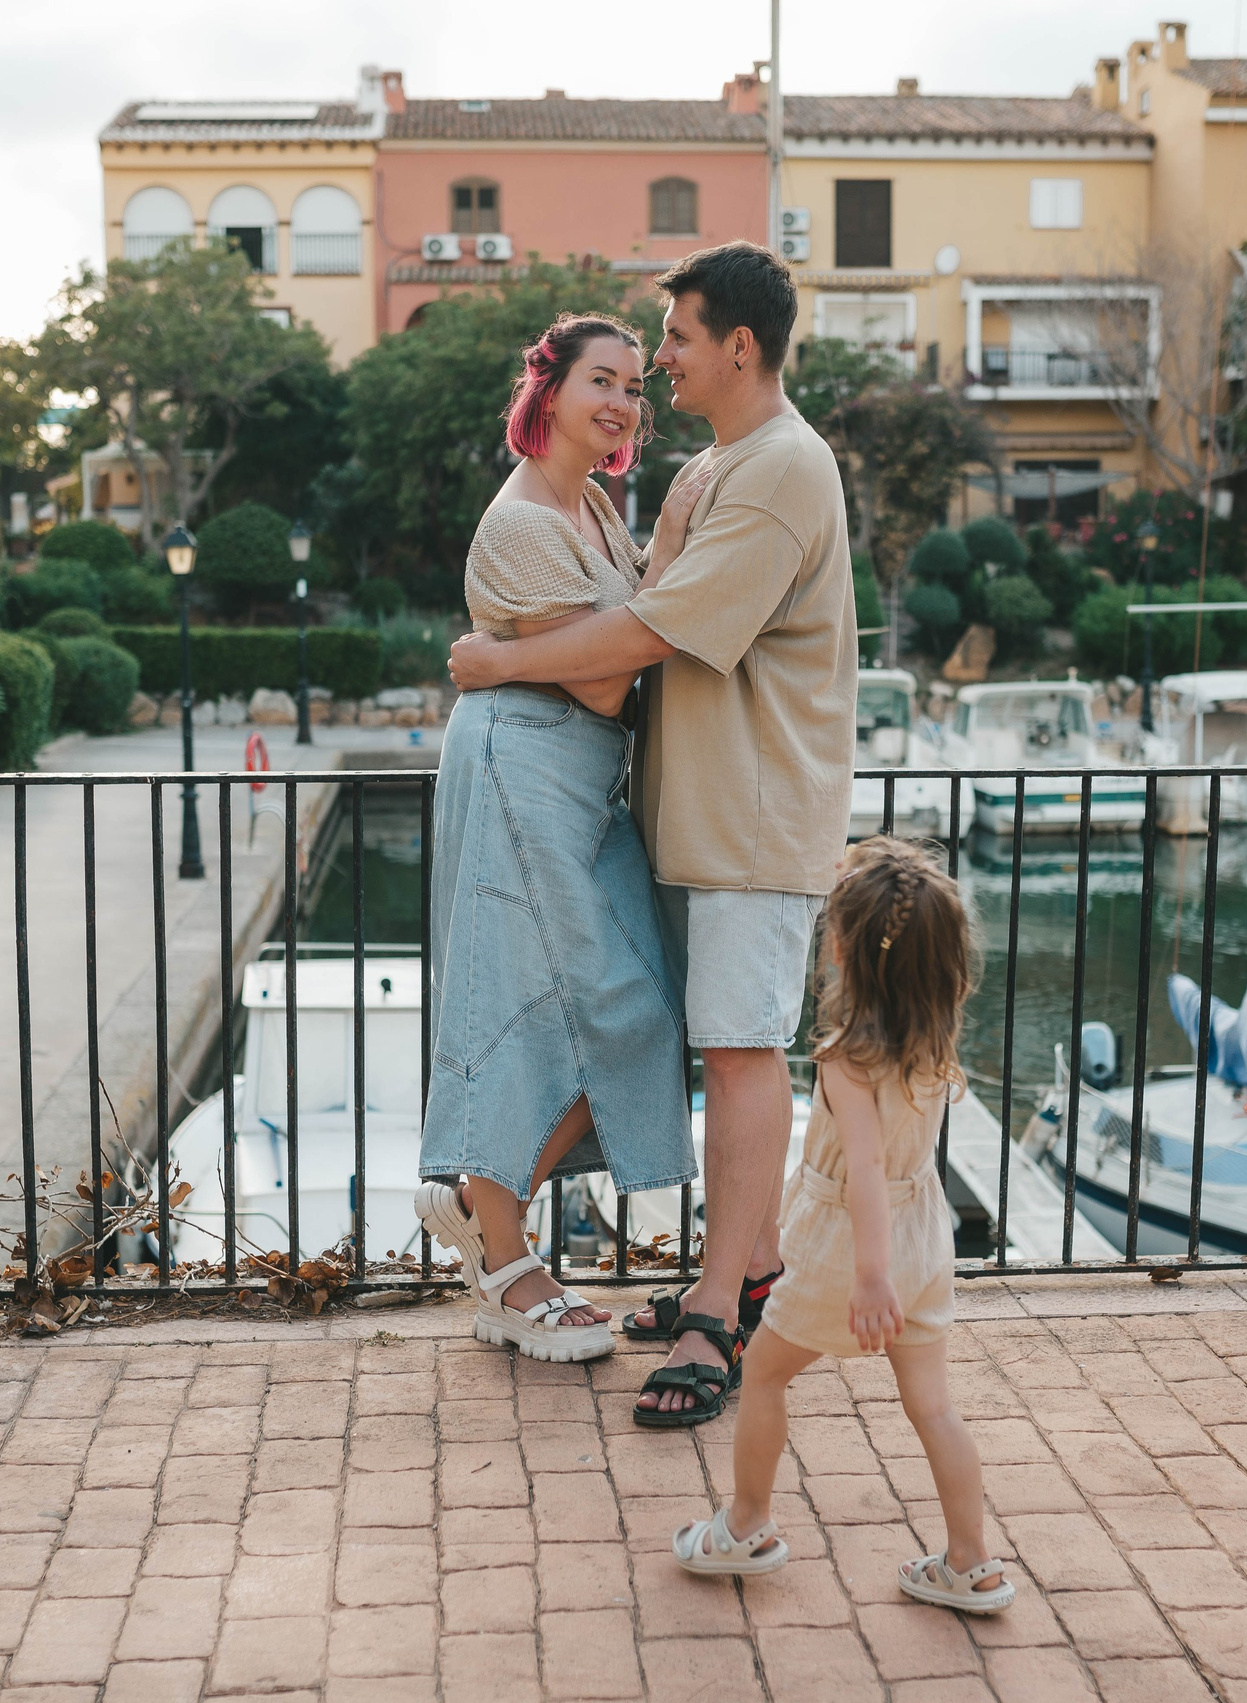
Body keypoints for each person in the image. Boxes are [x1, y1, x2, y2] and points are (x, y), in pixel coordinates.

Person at [449, 242, 858, 1426]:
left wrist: (498, 663)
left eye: (674, 340)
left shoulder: (778, 470)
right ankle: (744, 1268)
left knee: (738, 1051)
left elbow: (652, 633)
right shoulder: (726, 465)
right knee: (710, 1041)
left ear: (739, 345)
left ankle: (717, 1315)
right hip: (703, 816)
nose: (660, 362)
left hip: (749, 820)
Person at [414, 313, 696, 1363]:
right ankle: (505, 1260)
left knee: (641, 1007)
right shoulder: (525, 521)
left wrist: (502, 657)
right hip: (522, 766)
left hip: (579, 778)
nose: (622, 401)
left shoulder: (592, 506)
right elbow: (605, 679)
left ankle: (481, 1203)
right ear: (550, 391)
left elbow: (615, 642)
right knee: (519, 1003)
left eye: (634, 386)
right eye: (600, 381)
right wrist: (510, 666)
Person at [671, 837, 1014, 1614]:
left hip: (851, 1246)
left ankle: (746, 1525)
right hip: (924, 1236)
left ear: (841, 952)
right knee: (933, 1406)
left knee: (763, 1373)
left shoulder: (845, 1057)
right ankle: (972, 1563)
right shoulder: (933, 1038)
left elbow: (863, 1168)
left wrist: (870, 1275)